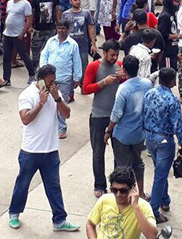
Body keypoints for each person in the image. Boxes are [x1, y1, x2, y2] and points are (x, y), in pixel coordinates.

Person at [7, 64, 80, 232]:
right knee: (23, 184)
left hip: (51, 150)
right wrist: (40, 104)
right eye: (49, 82)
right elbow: (25, 119)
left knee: (54, 186)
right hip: (31, 151)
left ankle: (60, 220)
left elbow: (67, 114)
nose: (52, 85)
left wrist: (57, 98)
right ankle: (14, 213)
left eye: (54, 82)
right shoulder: (27, 95)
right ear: (40, 81)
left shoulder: (55, 93)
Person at [86, 167, 157, 239]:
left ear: (133, 189)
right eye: (114, 190)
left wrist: (135, 207)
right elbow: (90, 224)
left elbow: (151, 236)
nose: (118, 195)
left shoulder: (143, 207)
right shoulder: (104, 200)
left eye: (123, 191)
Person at [141, 67, 182, 223]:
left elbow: (143, 114)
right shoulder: (172, 100)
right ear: (172, 80)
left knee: (160, 170)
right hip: (164, 140)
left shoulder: (149, 93)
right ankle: (153, 210)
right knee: (160, 175)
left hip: (150, 137)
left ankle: (164, 199)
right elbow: (177, 125)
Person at [106, 55, 153, 199]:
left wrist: (109, 130)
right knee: (138, 163)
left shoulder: (123, 89)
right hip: (139, 133)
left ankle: (124, 196)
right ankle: (141, 193)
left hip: (123, 135)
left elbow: (116, 113)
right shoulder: (147, 84)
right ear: (138, 68)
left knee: (123, 168)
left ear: (124, 70)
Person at [83, 40, 125, 198]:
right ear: (105, 53)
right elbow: (85, 88)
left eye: (117, 55)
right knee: (98, 152)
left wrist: (123, 78)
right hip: (99, 116)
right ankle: (99, 184)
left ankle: (117, 184)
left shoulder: (119, 65)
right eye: (112, 55)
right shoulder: (94, 66)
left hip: (116, 117)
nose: (115, 58)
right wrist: (103, 82)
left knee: (119, 153)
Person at [39, 19, 82, 139]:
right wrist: (44, 70)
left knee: (61, 103)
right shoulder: (50, 41)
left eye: (63, 28)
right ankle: (48, 126)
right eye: (59, 28)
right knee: (46, 102)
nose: (60, 30)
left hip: (64, 79)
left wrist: (77, 78)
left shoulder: (73, 45)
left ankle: (61, 128)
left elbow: (76, 62)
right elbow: (44, 55)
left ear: (68, 29)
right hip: (48, 79)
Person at [2, 0, 35, 85]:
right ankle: (6, 79)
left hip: (18, 35)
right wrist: (4, 30)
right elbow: (8, 16)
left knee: (24, 55)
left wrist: (22, 33)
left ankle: (32, 75)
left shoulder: (25, 4)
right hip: (8, 34)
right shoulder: (9, 2)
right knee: (6, 57)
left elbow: (29, 20)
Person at [61, 0, 97, 76]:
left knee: (84, 70)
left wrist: (93, 44)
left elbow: (91, 28)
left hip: (83, 46)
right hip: (69, 46)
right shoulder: (65, 14)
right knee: (69, 69)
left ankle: (83, 88)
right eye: (75, 0)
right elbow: (62, 30)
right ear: (70, 1)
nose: (78, 1)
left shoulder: (86, 13)